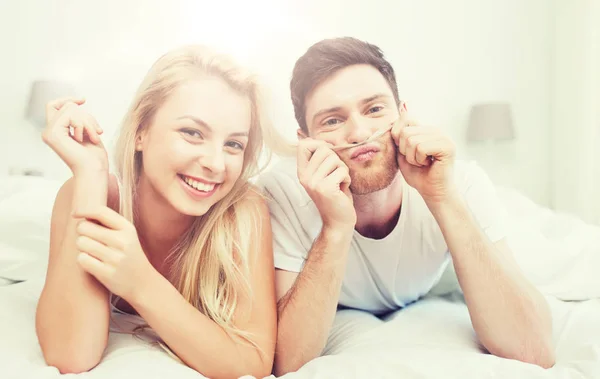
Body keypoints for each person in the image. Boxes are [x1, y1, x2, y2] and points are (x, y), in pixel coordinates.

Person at [258, 37, 555, 375]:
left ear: (402, 115)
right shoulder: (280, 194)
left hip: (440, 279)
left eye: (374, 109)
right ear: (305, 142)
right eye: (333, 121)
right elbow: (287, 362)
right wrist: (335, 227)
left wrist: (442, 198)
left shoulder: (462, 181)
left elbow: (535, 350)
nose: (360, 132)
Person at [35, 45, 277, 378]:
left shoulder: (243, 211)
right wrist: (90, 174)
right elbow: (71, 355)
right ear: (140, 132)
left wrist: (140, 282)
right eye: (192, 133)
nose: (216, 164)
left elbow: (253, 362)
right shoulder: (88, 193)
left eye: (234, 144)